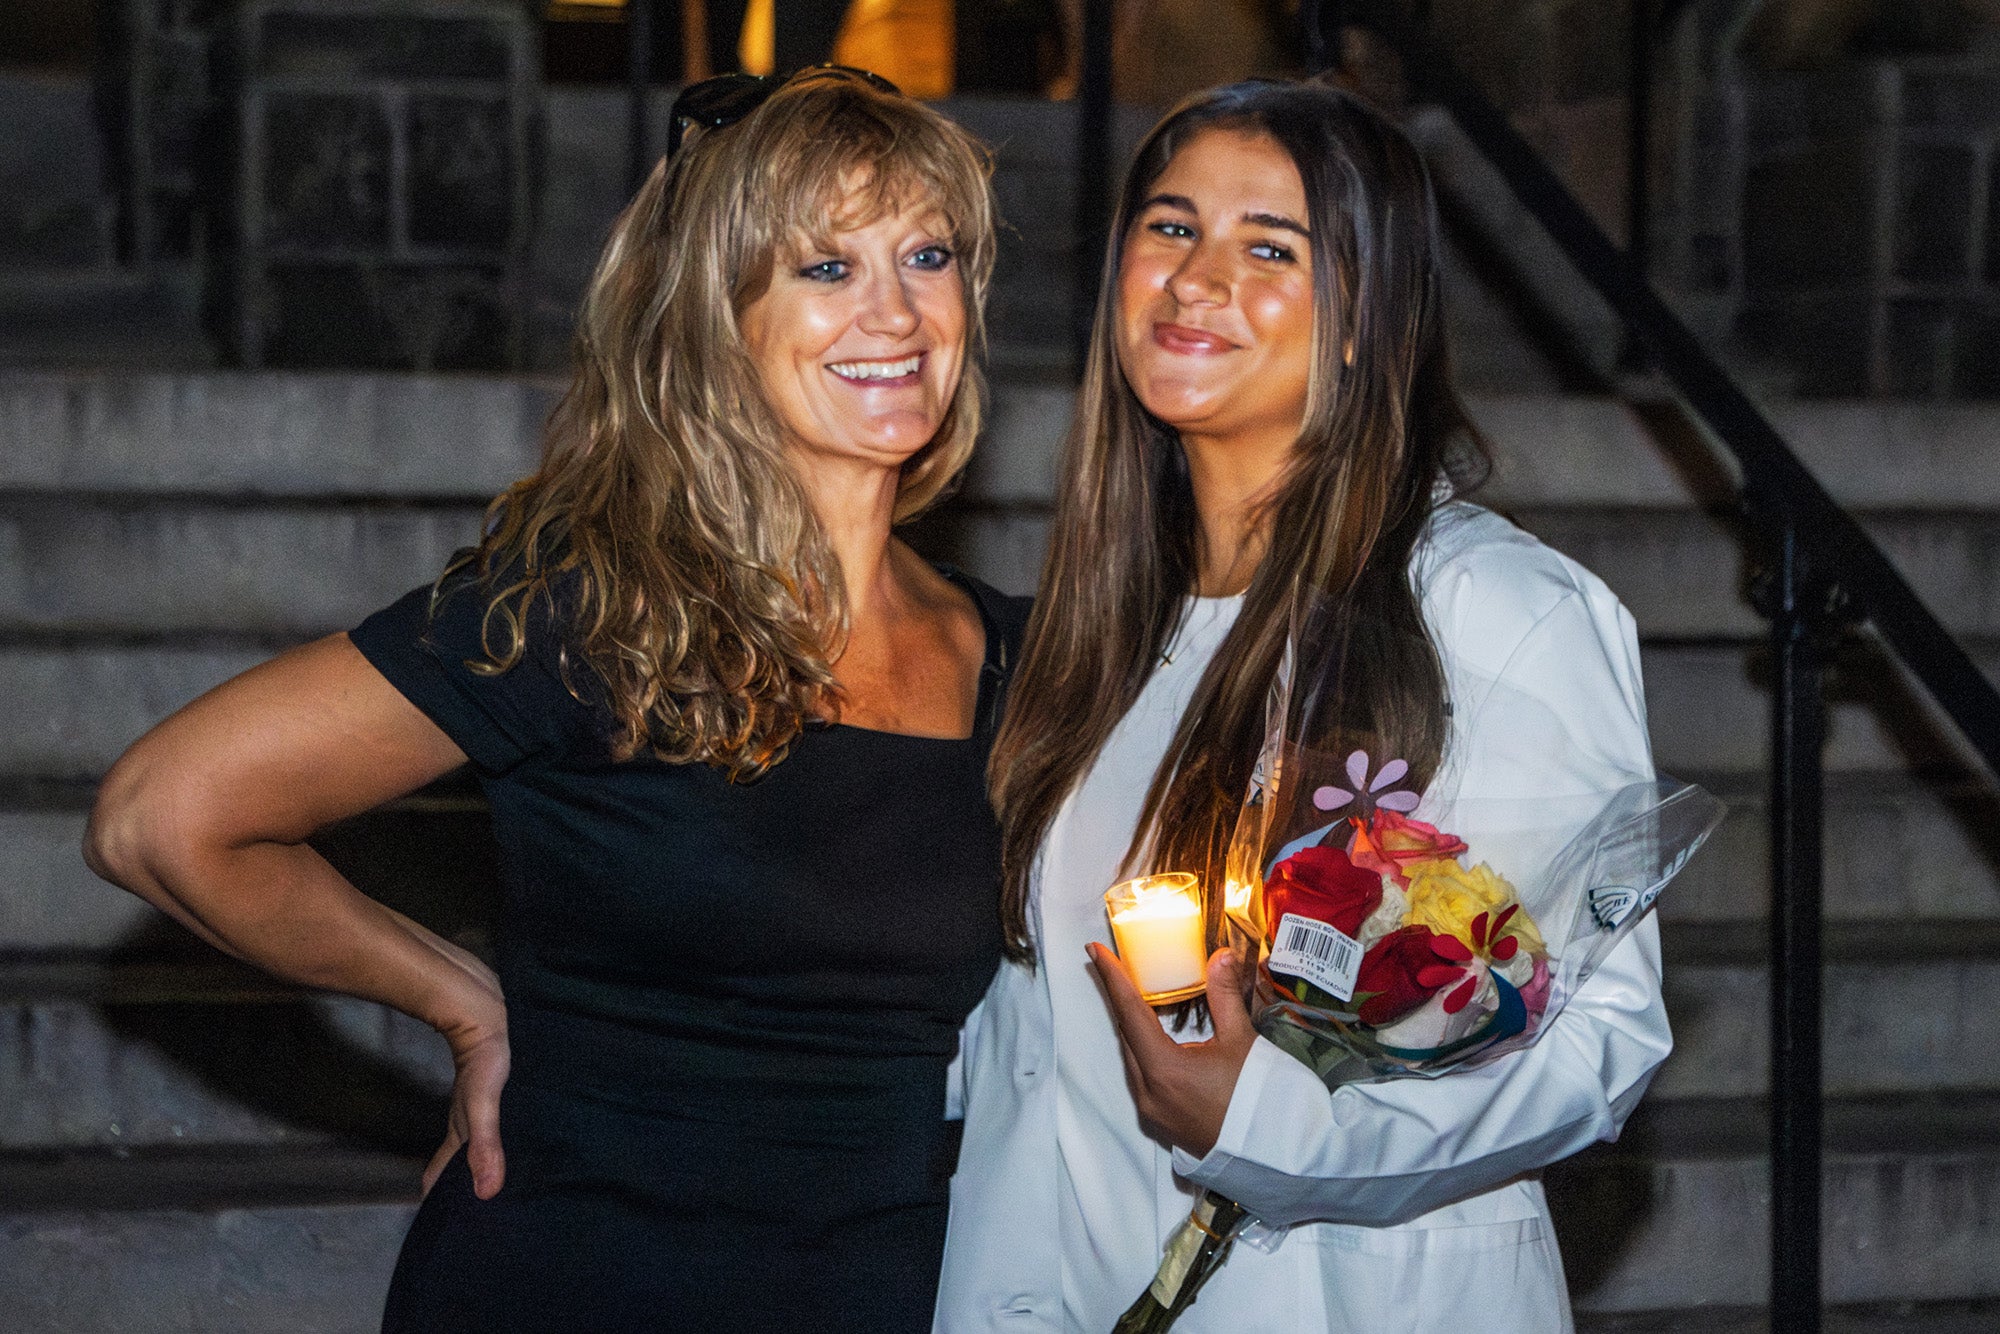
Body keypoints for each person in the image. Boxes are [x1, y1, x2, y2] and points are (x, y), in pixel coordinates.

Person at [84, 68, 1022, 1332]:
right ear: (717, 316)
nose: (895, 311)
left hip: (882, 1286)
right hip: (579, 1277)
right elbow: (163, 814)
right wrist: (458, 1000)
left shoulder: (1014, 652)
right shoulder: (591, 613)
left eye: (926, 254)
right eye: (823, 268)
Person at [935, 79, 1666, 1332]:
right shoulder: (1100, 626)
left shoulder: (1489, 608)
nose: (1193, 278)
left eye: (1267, 246)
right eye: (1168, 228)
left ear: (1358, 316)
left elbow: (1597, 1036)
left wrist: (1266, 1121)